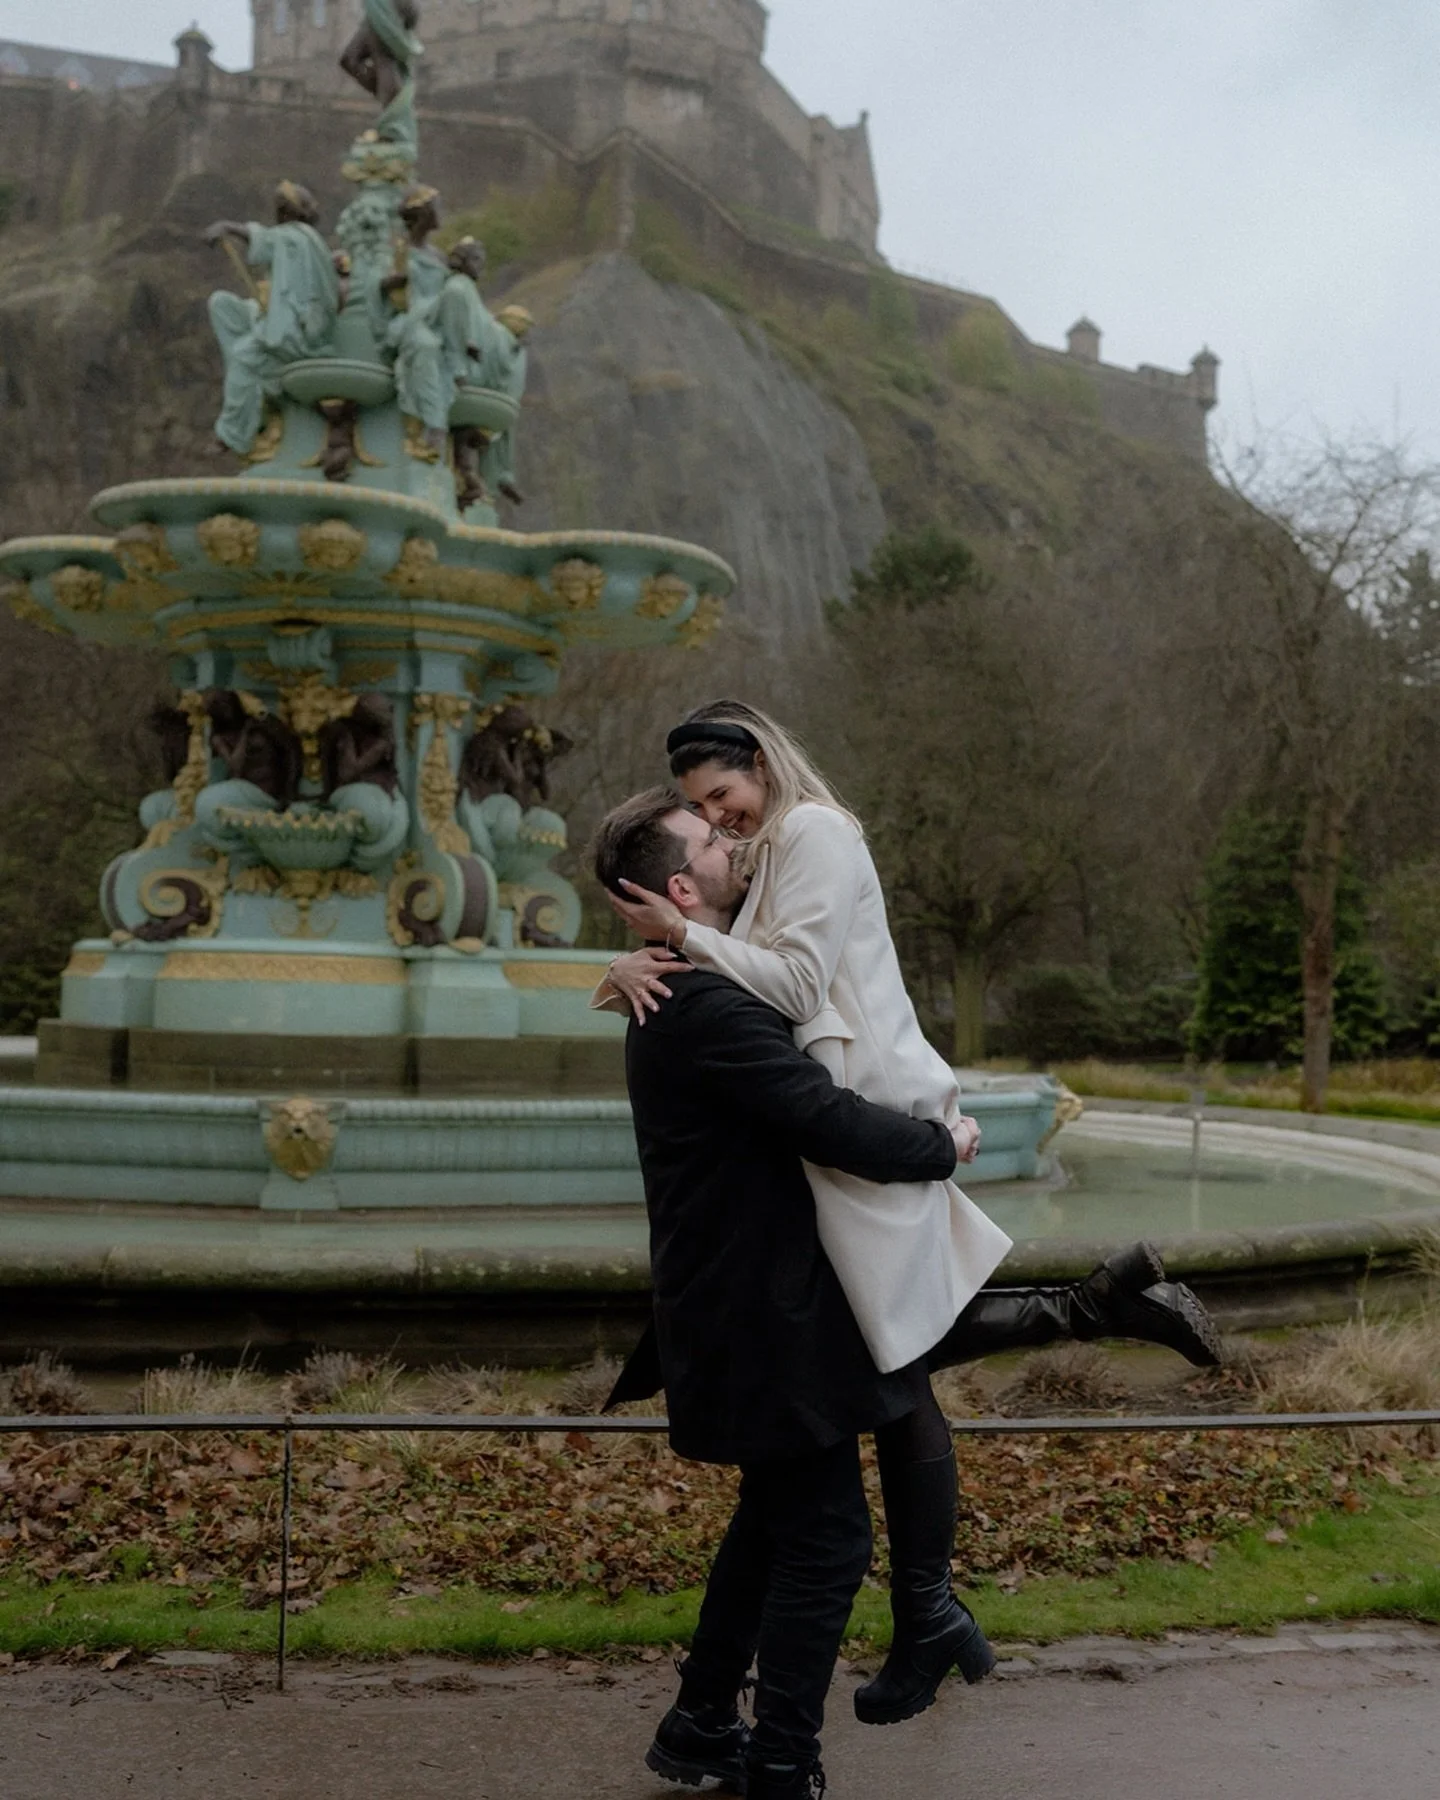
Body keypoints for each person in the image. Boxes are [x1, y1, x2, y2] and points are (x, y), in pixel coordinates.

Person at [601, 702, 1221, 1728]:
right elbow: (724, 956)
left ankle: (916, 1616)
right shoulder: (764, 854)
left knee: (889, 1355)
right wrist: (624, 965)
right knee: (889, 1353)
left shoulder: (812, 832)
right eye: (707, 814)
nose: (726, 820)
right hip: (840, 1105)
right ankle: (1094, 1313)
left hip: (863, 1103)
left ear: (761, 763)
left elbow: (792, 981)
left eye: (724, 798)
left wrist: (670, 938)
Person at [592, 788, 990, 1799]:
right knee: (827, 1539)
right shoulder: (703, 1004)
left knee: (776, 1518)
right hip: (758, 1320)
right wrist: (936, 1146)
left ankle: (698, 1723)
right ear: (681, 886)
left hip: (742, 1311)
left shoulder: (689, 986)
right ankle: (780, 1761)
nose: (737, 843)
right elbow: (822, 1116)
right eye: (716, 839)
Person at [204, 183, 340, 456]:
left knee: (244, 357)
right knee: (221, 304)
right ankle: (253, 394)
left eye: (280, 208)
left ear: (286, 212)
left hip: (297, 335)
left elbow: (264, 240)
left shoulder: (296, 237)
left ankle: (233, 434)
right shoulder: (303, 241)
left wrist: (227, 227)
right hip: (282, 319)